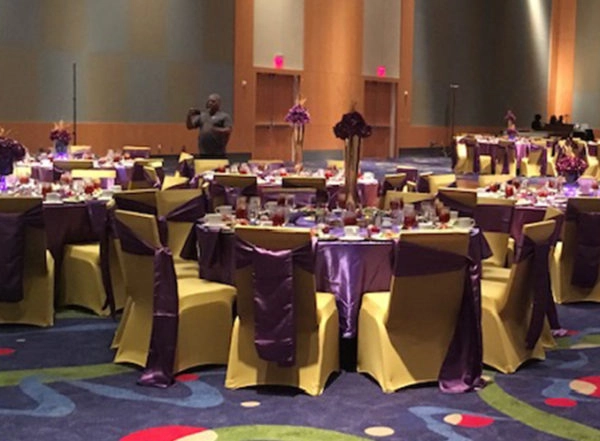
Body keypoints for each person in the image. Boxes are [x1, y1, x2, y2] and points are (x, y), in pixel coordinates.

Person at [186, 93, 232, 158]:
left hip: (218, 153)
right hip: (203, 152)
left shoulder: (224, 116)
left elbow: (228, 130)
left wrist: (214, 129)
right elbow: (190, 126)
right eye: (209, 101)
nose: (210, 103)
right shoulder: (203, 116)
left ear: (219, 103)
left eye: (213, 101)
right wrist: (189, 116)